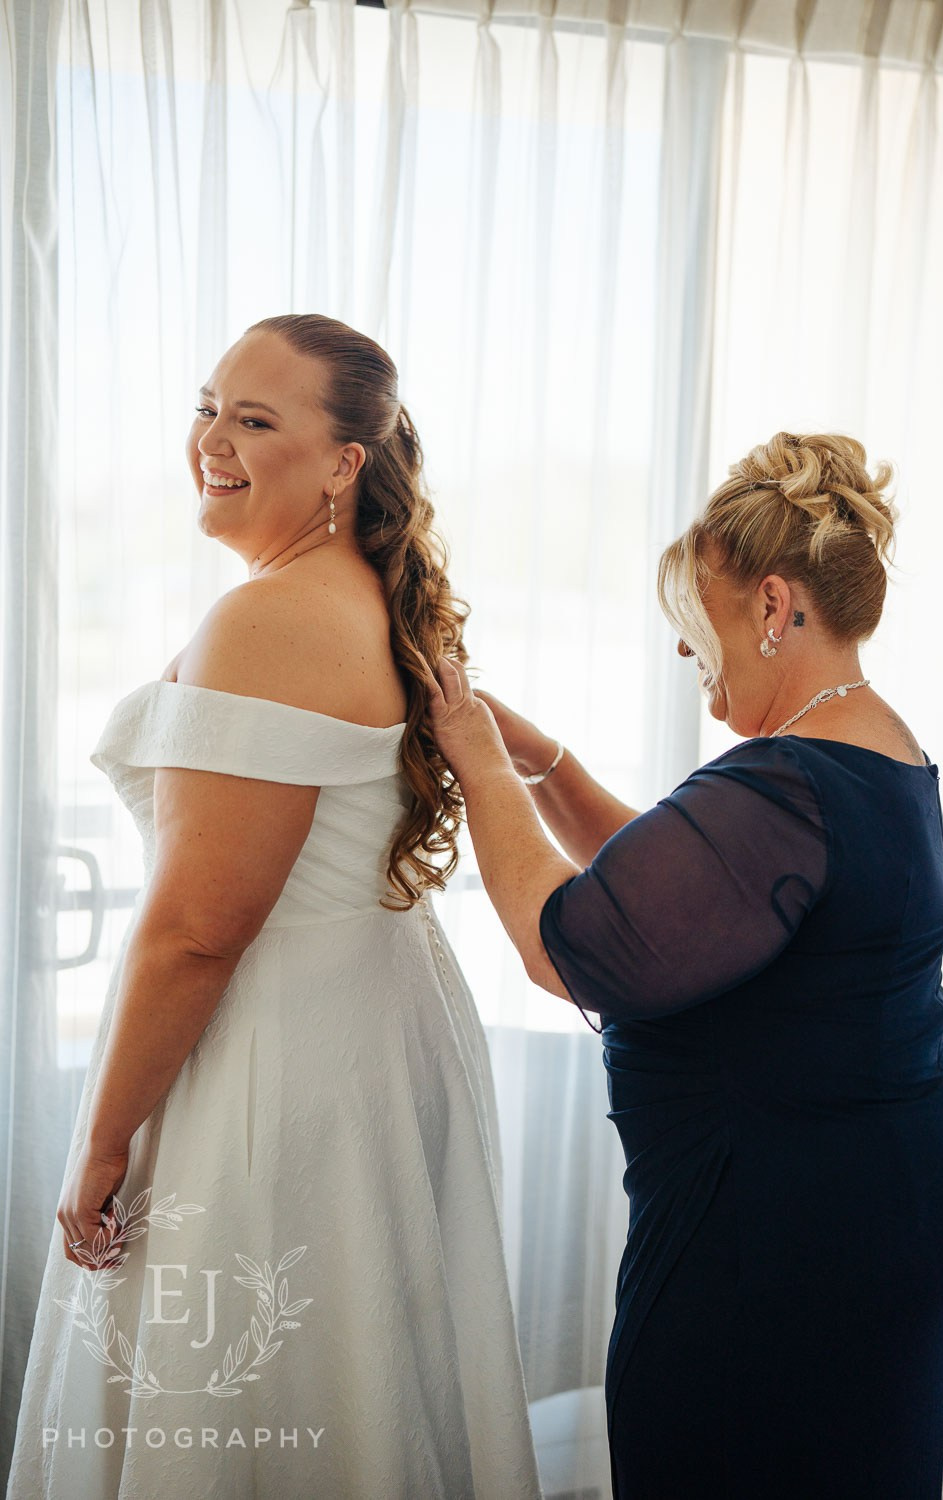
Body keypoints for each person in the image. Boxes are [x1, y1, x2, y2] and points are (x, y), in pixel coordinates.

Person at [7, 314, 542, 1499]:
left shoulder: (269, 617)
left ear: (347, 460)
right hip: (370, 1029)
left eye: (256, 420)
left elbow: (200, 929)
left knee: (249, 1390)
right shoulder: (356, 595)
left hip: (276, 1055)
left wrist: (100, 1143)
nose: (214, 440)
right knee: (353, 1378)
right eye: (208, 407)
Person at [424, 431, 943, 1500]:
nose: (689, 660)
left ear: (774, 607)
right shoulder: (875, 751)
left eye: (695, 631)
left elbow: (578, 944)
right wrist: (539, 762)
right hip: (892, 1196)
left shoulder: (784, 777)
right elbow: (687, 895)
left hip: (783, 1238)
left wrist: (475, 760)